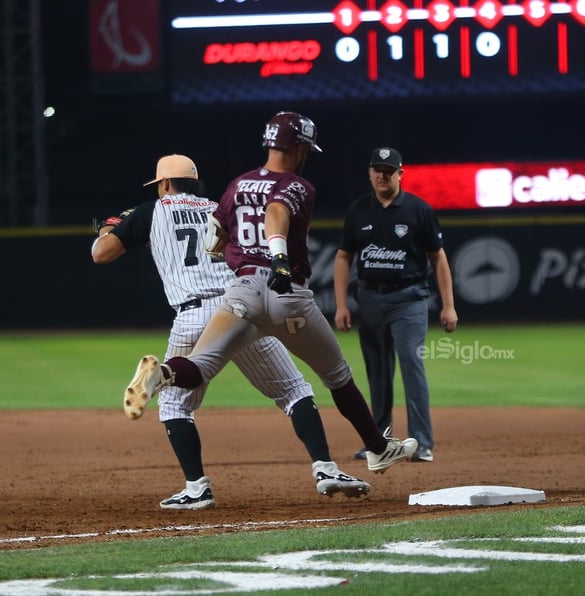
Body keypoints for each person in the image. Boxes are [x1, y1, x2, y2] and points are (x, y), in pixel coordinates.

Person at [122, 113, 418, 475]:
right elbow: (276, 211)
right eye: (306, 147)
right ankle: (377, 449)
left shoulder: (237, 185)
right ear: (297, 147)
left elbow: (217, 233)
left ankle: (163, 374)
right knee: (336, 376)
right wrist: (278, 256)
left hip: (242, 291)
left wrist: (229, 252)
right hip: (284, 291)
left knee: (198, 366)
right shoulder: (297, 185)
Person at [93, 153, 370, 509]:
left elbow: (101, 254)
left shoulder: (150, 211)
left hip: (191, 314)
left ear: (163, 184)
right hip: (239, 309)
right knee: (294, 390)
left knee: (175, 403)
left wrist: (108, 228)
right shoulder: (220, 207)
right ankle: (326, 469)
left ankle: (197, 489)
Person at [333, 147, 458, 464]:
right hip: (370, 299)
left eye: (389, 170)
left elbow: (438, 257)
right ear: (369, 172)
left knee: (411, 366)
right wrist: (341, 305)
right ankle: (379, 442)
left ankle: (423, 442)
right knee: (377, 372)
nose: (382, 175)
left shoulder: (418, 210)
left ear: (400, 173)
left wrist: (448, 306)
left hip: (409, 298)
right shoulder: (359, 211)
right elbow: (343, 256)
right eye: (377, 169)